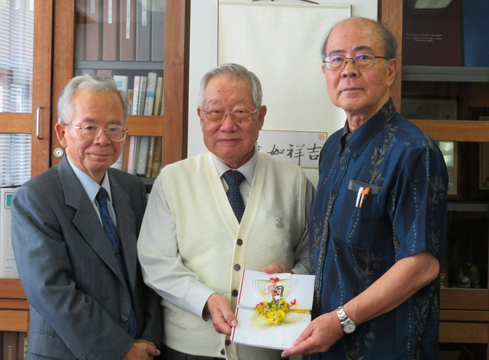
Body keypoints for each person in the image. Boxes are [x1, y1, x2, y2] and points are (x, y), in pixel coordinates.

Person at [281, 17, 448, 360]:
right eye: (336, 59)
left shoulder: (413, 151)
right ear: (326, 72)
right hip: (325, 344)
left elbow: (421, 265)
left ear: (390, 70)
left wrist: (341, 320)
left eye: (362, 57)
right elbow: (332, 250)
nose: (348, 70)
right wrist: (292, 279)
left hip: (386, 347)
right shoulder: (331, 149)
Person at [137, 63, 315, 360]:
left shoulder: (294, 181)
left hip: (269, 348)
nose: (228, 125)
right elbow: (156, 262)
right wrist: (205, 299)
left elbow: (315, 257)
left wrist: (293, 275)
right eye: (215, 112)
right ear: (200, 117)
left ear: (261, 116)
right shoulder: (172, 179)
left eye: (241, 112)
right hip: (188, 350)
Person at [11, 75, 162, 360]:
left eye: (114, 127)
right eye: (89, 127)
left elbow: (149, 269)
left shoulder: (131, 188)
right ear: (62, 132)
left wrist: (148, 340)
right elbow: (52, 291)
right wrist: (121, 350)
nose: (103, 139)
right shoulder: (36, 198)